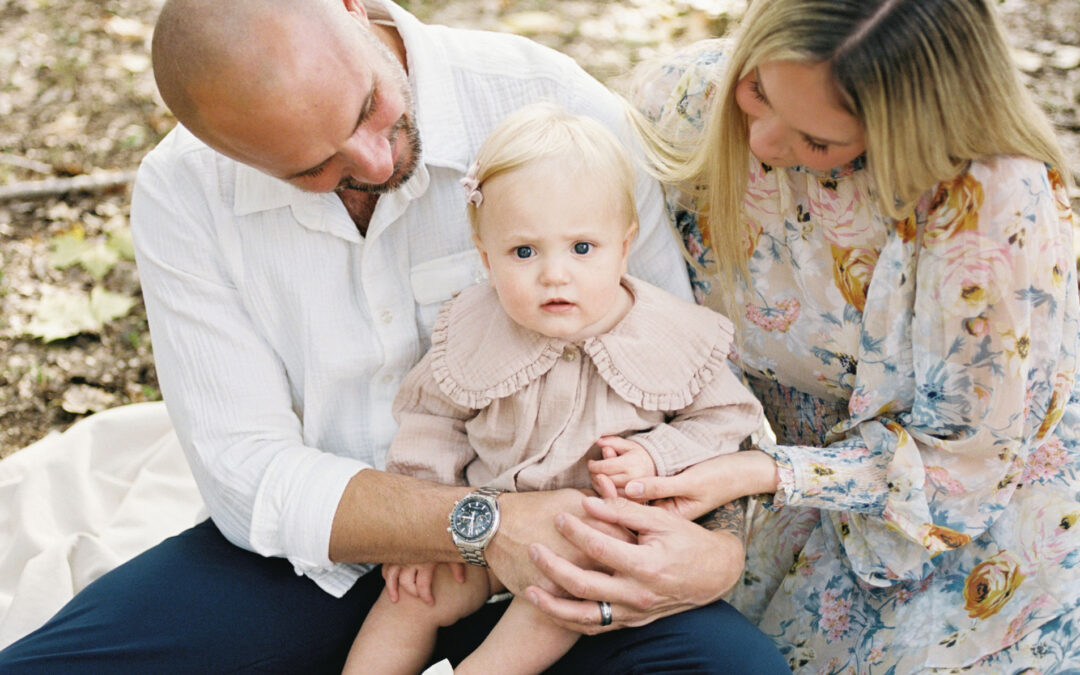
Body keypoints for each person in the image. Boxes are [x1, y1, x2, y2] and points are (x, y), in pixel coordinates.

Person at [0, 0, 788, 672]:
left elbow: (677, 376)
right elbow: (247, 473)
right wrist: (484, 525)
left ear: (352, 5)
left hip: (566, 554)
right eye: (314, 169)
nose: (374, 161)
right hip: (322, 558)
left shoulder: (555, 108)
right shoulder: (183, 189)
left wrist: (716, 550)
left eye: (366, 109)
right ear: (227, 150)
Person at [523, 0, 1080, 671]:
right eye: (758, 89)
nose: (760, 144)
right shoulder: (691, 99)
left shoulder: (989, 198)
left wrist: (761, 471)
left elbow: (965, 461)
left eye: (818, 144)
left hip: (948, 521)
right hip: (732, 466)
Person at [343, 103, 766, 675]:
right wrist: (423, 535)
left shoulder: (672, 335)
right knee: (407, 597)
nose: (554, 274)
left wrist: (656, 453)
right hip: (487, 531)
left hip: (593, 542)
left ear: (625, 243)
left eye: (582, 248)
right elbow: (431, 421)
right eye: (524, 252)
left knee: (554, 603)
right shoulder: (473, 326)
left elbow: (728, 421)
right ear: (485, 256)